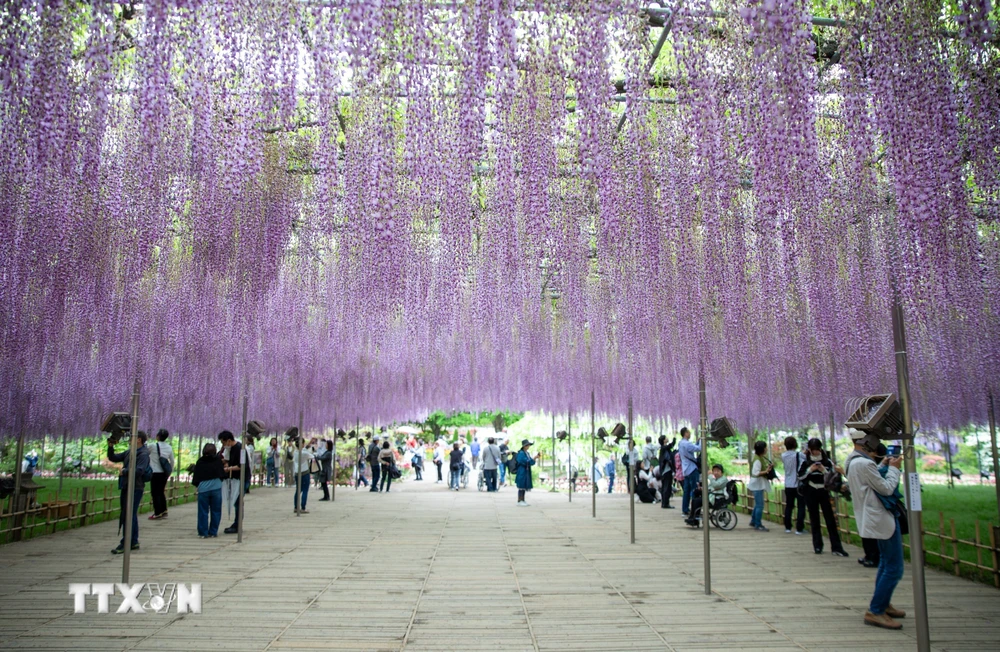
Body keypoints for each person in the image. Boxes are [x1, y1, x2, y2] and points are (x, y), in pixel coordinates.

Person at [845, 429, 905, 630]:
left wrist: (882, 465)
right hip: (880, 518)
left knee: (886, 562)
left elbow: (870, 482)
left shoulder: (853, 461)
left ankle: (883, 602)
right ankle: (876, 610)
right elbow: (886, 488)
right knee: (895, 567)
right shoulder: (864, 463)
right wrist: (895, 469)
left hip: (872, 517)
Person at [797, 438, 849, 556]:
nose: (815, 452)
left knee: (830, 519)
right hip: (811, 491)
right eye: (813, 450)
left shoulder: (827, 461)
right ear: (809, 450)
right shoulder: (805, 462)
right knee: (814, 519)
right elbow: (800, 476)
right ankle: (817, 546)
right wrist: (810, 470)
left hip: (824, 491)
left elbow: (834, 477)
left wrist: (823, 470)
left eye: (817, 450)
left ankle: (836, 547)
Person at [108, 430, 151, 554]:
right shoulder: (129, 452)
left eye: (131, 437)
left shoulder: (143, 454)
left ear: (139, 439)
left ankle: (126, 542)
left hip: (136, 487)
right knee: (130, 514)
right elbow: (113, 458)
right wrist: (110, 446)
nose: (129, 439)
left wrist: (125, 471)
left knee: (128, 514)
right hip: (126, 485)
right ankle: (133, 541)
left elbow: (140, 470)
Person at [859, 443, 888, 568]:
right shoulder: (869, 464)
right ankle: (870, 555)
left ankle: (875, 557)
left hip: (878, 505)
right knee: (868, 530)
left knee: (874, 532)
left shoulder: (877, 467)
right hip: (868, 503)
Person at [192, 443, 225, 538]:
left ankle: (203, 532)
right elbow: (222, 474)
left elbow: (196, 477)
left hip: (203, 489)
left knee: (203, 511)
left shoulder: (200, 462)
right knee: (216, 511)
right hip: (216, 488)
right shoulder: (217, 461)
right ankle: (213, 532)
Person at [218, 431, 244, 534]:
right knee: (236, 502)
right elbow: (229, 460)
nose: (223, 445)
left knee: (238, 502)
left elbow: (241, 465)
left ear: (228, 441)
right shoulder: (230, 449)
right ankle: (236, 524)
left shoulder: (240, 449)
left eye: (223, 443)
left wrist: (229, 469)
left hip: (241, 478)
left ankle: (237, 525)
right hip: (234, 479)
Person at [148, 428, 174, 520]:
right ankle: (164, 510)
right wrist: (169, 472)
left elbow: (144, 452)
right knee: (161, 491)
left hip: (155, 472)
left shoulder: (152, 445)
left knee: (155, 493)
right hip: (164, 473)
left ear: (158, 436)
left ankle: (157, 513)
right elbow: (172, 462)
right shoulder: (169, 447)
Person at [748, 440, 773, 531]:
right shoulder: (757, 460)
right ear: (762, 449)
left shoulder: (759, 457)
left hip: (758, 484)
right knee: (760, 505)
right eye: (765, 447)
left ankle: (753, 521)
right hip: (757, 484)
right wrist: (766, 471)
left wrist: (768, 468)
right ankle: (758, 524)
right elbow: (756, 472)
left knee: (757, 504)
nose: (766, 449)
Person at [678, 427, 701, 515]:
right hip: (691, 469)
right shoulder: (687, 444)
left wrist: (697, 442)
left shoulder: (680, 443)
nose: (690, 434)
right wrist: (702, 440)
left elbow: (692, 448)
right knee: (695, 490)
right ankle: (695, 509)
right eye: (689, 432)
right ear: (685, 433)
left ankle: (685, 509)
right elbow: (699, 449)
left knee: (686, 491)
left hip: (685, 470)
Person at [292, 434, 313, 513]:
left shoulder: (295, 453)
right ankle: (303, 507)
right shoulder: (305, 453)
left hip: (297, 473)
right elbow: (312, 456)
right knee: (305, 490)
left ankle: (295, 507)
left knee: (298, 490)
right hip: (305, 473)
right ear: (302, 444)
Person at [515, 439, 538, 506]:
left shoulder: (527, 453)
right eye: (527, 445)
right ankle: (520, 500)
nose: (528, 447)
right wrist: (532, 459)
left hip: (526, 471)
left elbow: (530, 461)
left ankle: (523, 500)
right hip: (522, 471)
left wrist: (534, 459)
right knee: (521, 486)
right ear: (524, 446)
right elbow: (523, 461)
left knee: (524, 486)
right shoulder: (521, 453)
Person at [657, 435, 676, 508]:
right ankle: (665, 503)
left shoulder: (664, 449)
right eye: (666, 438)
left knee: (667, 487)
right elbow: (671, 445)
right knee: (666, 487)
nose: (667, 438)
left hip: (667, 470)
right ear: (664, 440)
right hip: (666, 471)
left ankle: (665, 503)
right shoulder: (663, 448)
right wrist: (674, 437)